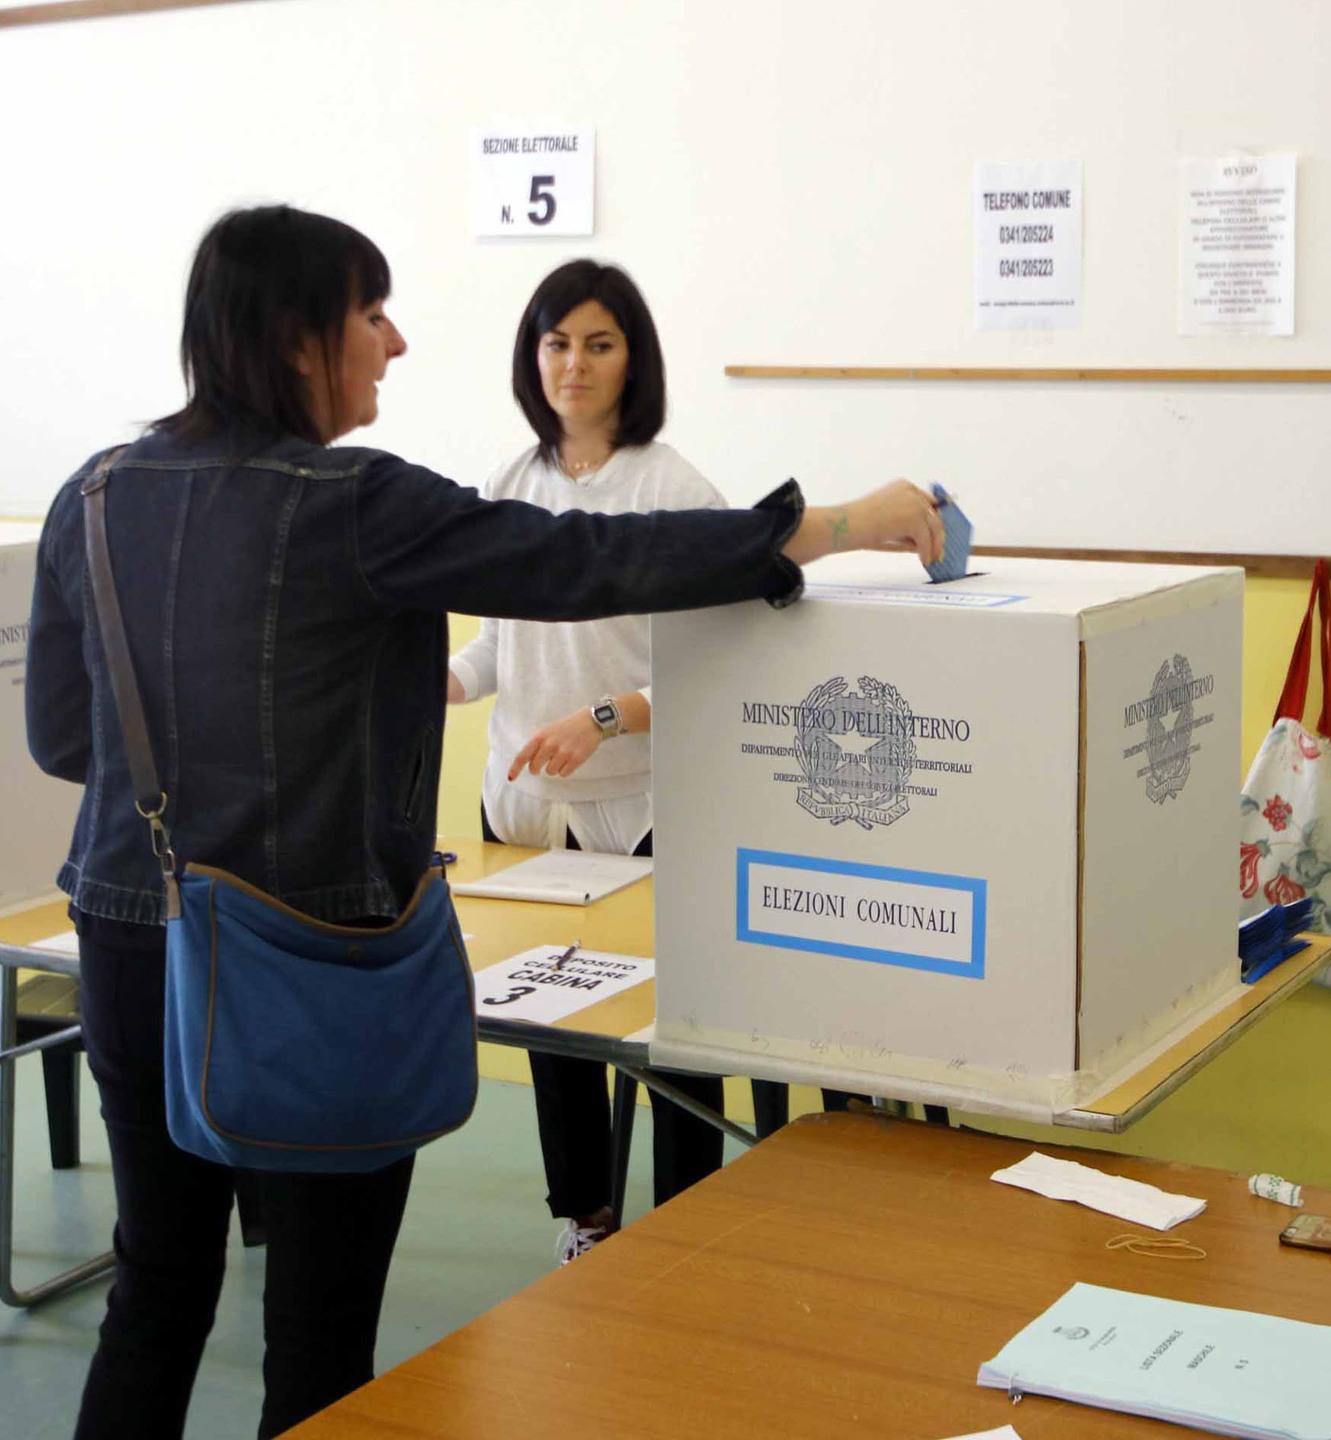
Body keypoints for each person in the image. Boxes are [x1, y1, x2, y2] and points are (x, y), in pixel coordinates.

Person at [24, 203, 944, 1440]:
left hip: (132, 934)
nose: (394, 343)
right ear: (303, 338)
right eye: (372, 314)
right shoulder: (356, 502)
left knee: (159, 1283)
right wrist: (829, 527)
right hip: (316, 962)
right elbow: (590, 564)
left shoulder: (92, 493)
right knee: (318, 1330)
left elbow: (63, 743)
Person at [448, 259, 731, 1262]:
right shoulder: (508, 484)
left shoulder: (671, 485)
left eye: (598, 344)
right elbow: (499, 644)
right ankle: (589, 1221)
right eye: (558, 342)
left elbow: (723, 658)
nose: (575, 363)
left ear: (631, 358)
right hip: (525, 801)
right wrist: (444, 679)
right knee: (552, 1024)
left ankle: (690, 1225)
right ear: (535, 355)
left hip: (643, 800)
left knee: (673, 1028)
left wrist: (605, 716)